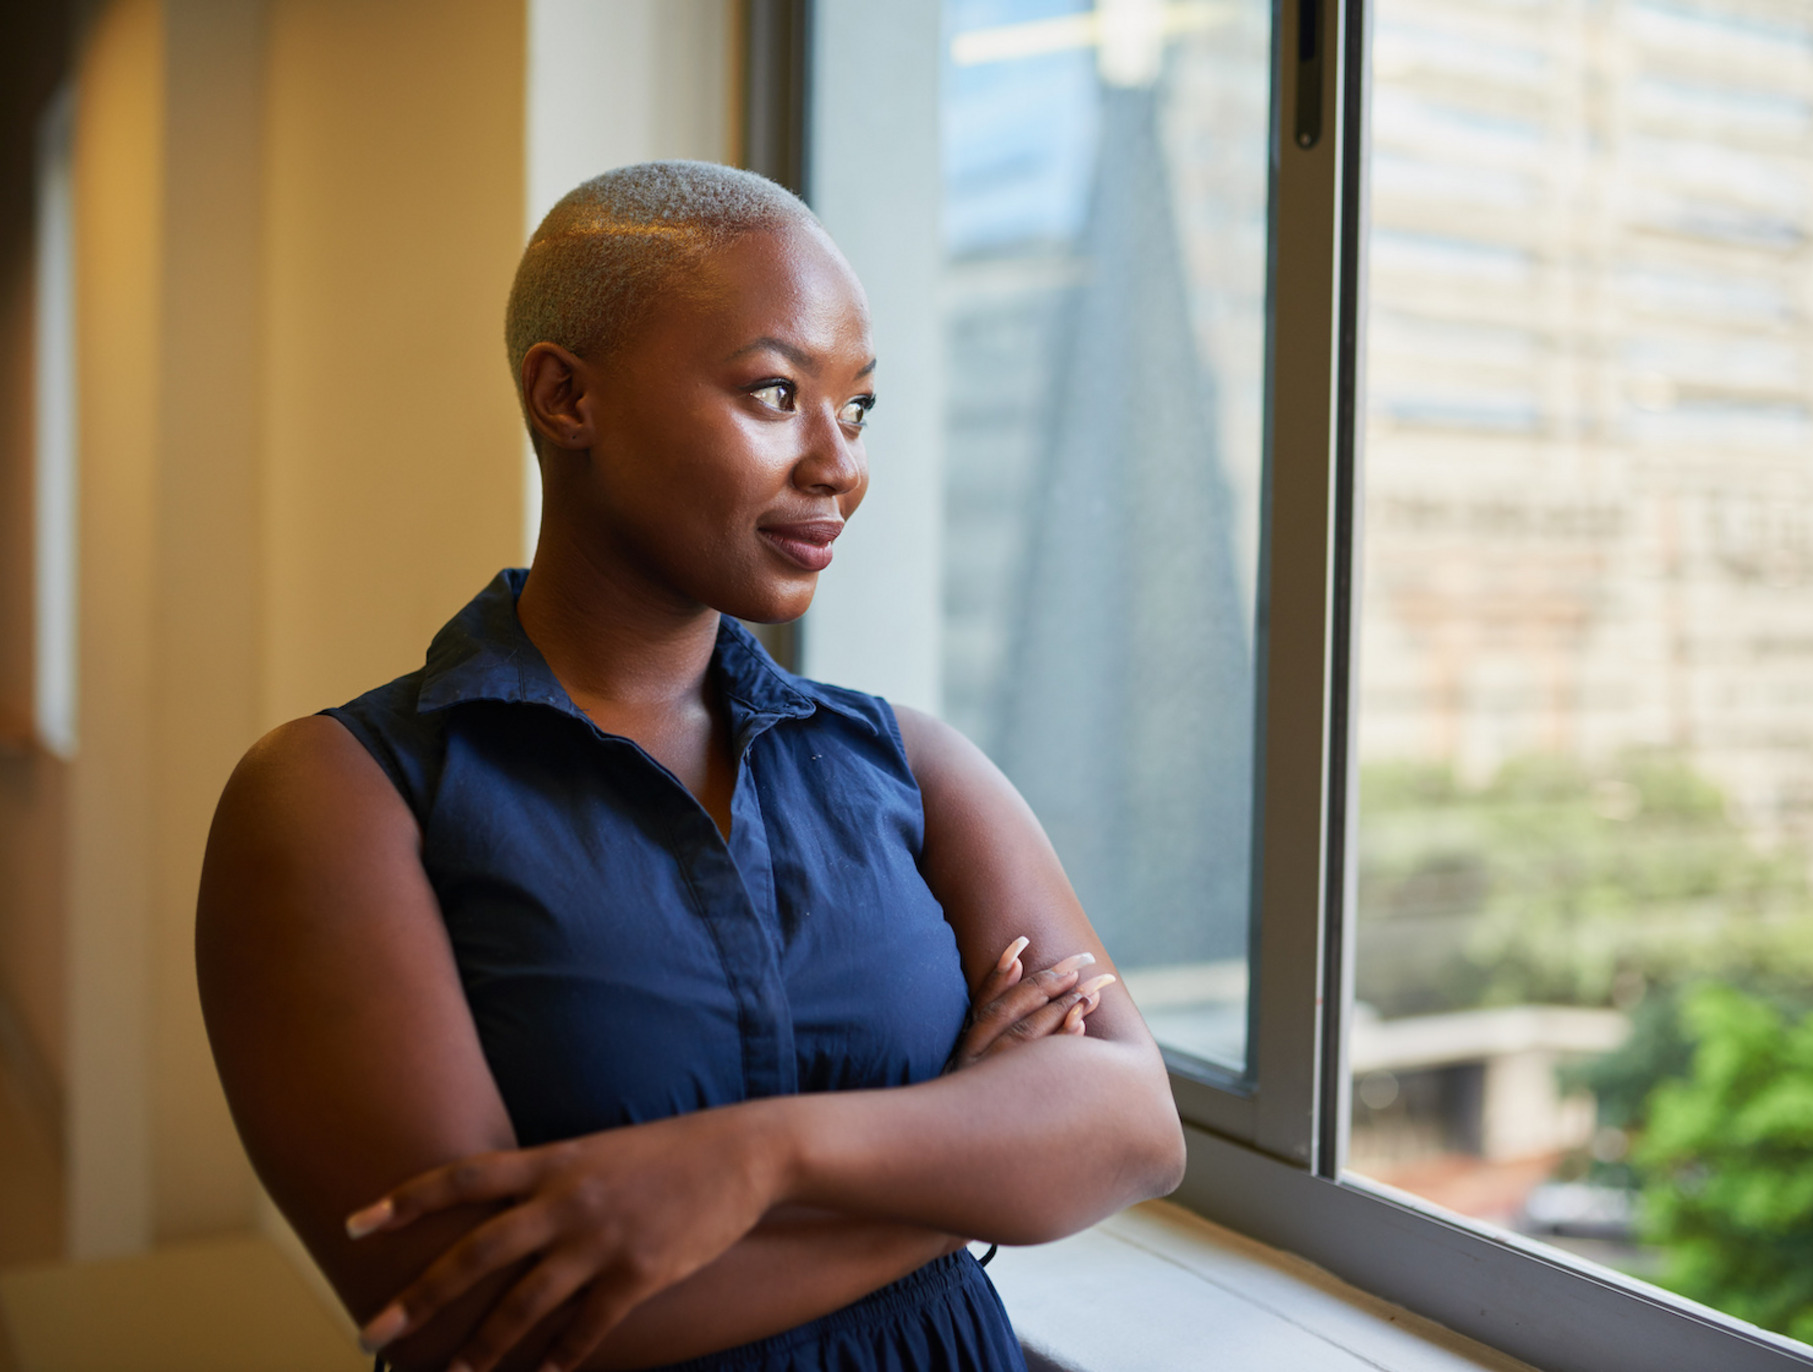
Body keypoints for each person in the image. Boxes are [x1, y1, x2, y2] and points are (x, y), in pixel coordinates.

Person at [196, 161, 1185, 1372]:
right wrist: (972, 1155)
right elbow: (475, 1320)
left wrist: (756, 1158)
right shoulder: (339, 799)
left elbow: (1135, 1125)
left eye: (858, 407)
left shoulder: (910, 765)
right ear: (567, 397)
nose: (841, 465)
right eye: (776, 392)